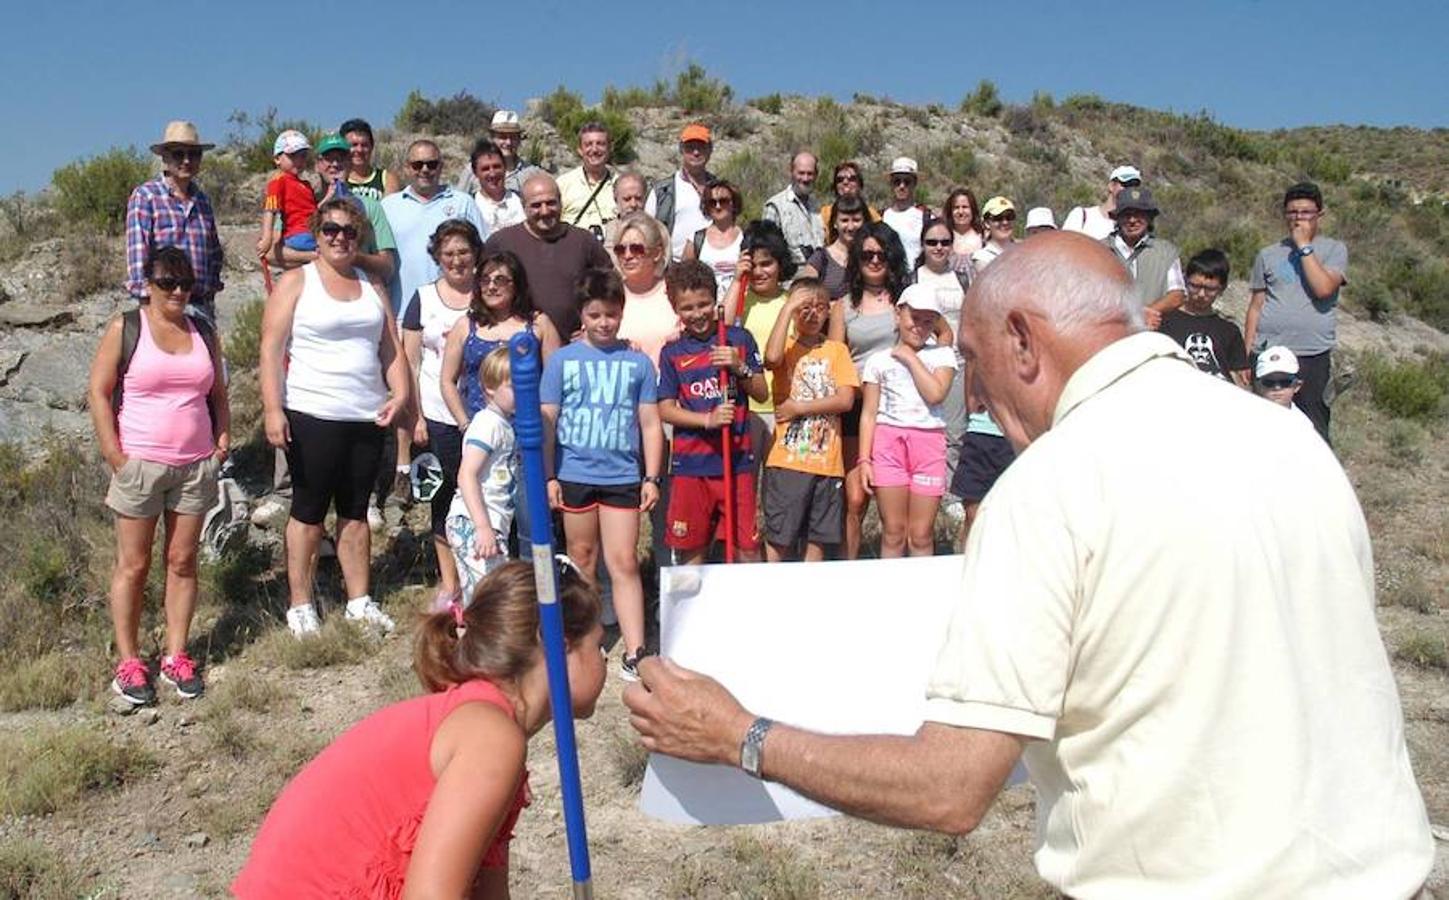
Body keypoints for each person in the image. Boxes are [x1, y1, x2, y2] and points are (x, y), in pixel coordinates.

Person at [625, 232, 1434, 900]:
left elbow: (947, 789)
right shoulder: (1288, 438)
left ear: (1021, 338)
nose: (970, 392)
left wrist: (740, 734)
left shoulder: (1051, 484)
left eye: (972, 359)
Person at [233, 561, 606, 899]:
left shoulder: (487, 724)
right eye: (598, 645)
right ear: (558, 646)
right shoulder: (491, 740)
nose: (604, 660)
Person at [259, 198, 410, 638]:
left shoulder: (371, 285)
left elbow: (390, 349)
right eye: (330, 230)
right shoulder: (296, 282)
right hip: (312, 412)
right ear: (316, 234)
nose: (340, 237)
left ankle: (359, 601)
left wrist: (400, 392)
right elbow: (271, 349)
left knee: (356, 511)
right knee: (307, 512)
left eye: (348, 230)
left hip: (365, 414)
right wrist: (273, 408)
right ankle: (301, 604)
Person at [88, 246, 229, 704]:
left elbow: (219, 393)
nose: (177, 291)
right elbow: (99, 390)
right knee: (134, 564)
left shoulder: (203, 330)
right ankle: (129, 662)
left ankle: (176, 654)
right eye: (167, 282)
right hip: (140, 464)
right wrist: (114, 454)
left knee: (183, 561)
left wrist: (221, 443)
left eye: (185, 283)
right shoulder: (126, 328)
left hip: (195, 465)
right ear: (147, 285)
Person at [542, 268, 663, 682]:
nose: (604, 323)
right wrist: (549, 476)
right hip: (574, 472)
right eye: (595, 315)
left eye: (611, 314)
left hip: (622, 475)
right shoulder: (561, 361)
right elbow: (548, 424)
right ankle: (588, 640)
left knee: (624, 560)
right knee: (582, 559)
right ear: (582, 315)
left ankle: (636, 649)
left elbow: (650, 424)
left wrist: (652, 477)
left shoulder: (637, 363)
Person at [380, 141, 487, 512]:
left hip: (464, 306)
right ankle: (403, 468)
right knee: (408, 383)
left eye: (432, 164)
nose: (425, 170)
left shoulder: (462, 202)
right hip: (407, 306)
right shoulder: (389, 207)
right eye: (418, 164)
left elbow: (482, 250)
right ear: (407, 167)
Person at [656, 260, 768, 564]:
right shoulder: (672, 353)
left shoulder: (737, 340)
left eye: (704, 304)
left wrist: (738, 366)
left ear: (715, 300)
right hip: (691, 465)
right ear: (676, 309)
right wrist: (706, 420)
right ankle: (694, 610)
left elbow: (761, 392)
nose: (697, 314)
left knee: (747, 546)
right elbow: (665, 409)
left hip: (735, 462)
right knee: (691, 548)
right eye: (687, 308)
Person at [402, 220, 485, 611]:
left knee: (487, 493)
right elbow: (410, 360)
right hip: (436, 415)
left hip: (485, 414)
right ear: (437, 256)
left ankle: (484, 575)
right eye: (449, 253)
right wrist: (415, 417)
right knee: (444, 497)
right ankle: (449, 581)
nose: (457, 260)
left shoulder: (488, 295)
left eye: (464, 252)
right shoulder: (422, 298)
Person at [761, 279, 858, 562]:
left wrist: (799, 408)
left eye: (819, 308)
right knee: (781, 535)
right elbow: (771, 357)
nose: (812, 314)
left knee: (819, 536)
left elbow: (845, 400)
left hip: (828, 462)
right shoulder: (788, 347)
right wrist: (790, 305)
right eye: (805, 308)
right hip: (788, 459)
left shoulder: (836, 350)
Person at [1244, 181, 1348, 443]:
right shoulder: (1268, 254)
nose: (1298, 218)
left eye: (1305, 213)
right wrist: (1248, 353)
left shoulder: (1334, 249)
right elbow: (1256, 305)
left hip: (1311, 353)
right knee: (1265, 423)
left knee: (1314, 425)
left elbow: (1323, 288)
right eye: (1292, 212)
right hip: (1269, 351)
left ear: (1319, 215)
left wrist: (1304, 246)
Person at [831, 222, 909, 560]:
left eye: (881, 254)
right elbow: (834, 355)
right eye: (867, 254)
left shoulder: (905, 300)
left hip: (897, 408)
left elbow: (940, 335)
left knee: (894, 503)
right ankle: (850, 567)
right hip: (855, 407)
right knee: (855, 499)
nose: (875, 260)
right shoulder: (843, 306)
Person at [859, 284, 956, 558]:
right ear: (898, 315)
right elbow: (869, 413)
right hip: (888, 445)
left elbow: (935, 393)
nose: (920, 327)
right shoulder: (878, 361)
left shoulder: (942, 355)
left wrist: (911, 359)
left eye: (929, 321)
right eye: (914, 318)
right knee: (893, 531)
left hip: (928, 444)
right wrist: (865, 460)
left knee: (921, 534)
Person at [485, 174, 611, 340]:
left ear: (561, 202)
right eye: (536, 205)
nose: (545, 211)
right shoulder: (501, 242)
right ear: (524, 207)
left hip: (572, 347)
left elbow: (609, 290)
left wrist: (591, 328)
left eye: (551, 203)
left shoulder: (584, 241)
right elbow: (482, 292)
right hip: (516, 348)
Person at [126, 121, 224, 322]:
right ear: (165, 157)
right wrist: (147, 308)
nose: (187, 160)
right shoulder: (146, 197)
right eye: (179, 154)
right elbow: (138, 254)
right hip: (162, 307)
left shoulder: (203, 201)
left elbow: (213, 253)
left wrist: (211, 291)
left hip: (200, 306)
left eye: (194, 154)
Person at [446, 348, 518, 602]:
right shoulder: (487, 424)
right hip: (474, 522)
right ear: (489, 387)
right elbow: (467, 475)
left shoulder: (504, 424)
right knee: (484, 599)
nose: (521, 392)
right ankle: (469, 637)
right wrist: (482, 526)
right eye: (513, 386)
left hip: (493, 523)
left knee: (493, 596)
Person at [734, 221, 797, 485]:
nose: (760, 271)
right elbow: (722, 327)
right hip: (746, 408)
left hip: (784, 408)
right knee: (743, 487)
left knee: (780, 492)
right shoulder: (738, 299)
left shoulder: (791, 302)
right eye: (754, 264)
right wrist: (738, 280)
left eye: (767, 264)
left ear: (780, 264)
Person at [912, 217, 968, 500]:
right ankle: (923, 487)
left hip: (957, 361)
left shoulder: (962, 277)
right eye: (932, 242)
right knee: (924, 428)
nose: (939, 247)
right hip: (923, 363)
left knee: (956, 432)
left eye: (945, 242)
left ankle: (951, 495)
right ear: (923, 244)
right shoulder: (914, 277)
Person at [1160, 248, 1249, 387]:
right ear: (1185, 280)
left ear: (1222, 288)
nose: (1201, 294)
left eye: (1210, 289)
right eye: (1195, 286)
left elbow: (1236, 376)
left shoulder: (1229, 330)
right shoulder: (1164, 323)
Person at [1103, 186, 1183, 328]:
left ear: (1149, 217)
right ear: (1117, 217)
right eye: (1126, 214)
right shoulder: (1098, 249)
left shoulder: (1166, 252)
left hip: (1152, 334)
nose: (1132, 220)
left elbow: (1177, 295)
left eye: (1139, 214)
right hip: (1108, 332)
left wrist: (1147, 313)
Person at [615, 212, 680, 370]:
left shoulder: (676, 291)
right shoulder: (609, 294)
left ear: (657, 253)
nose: (628, 256)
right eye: (620, 249)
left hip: (671, 390)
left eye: (636, 249)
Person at [646, 123, 716, 261]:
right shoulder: (661, 191)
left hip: (712, 265)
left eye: (701, 147)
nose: (696, 152)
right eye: (690, 148)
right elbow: (648, 232)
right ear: (681, 150)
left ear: (710, 150)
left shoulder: (720, 189)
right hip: (673, 267)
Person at [681, 178, 744, 303]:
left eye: (723, 201)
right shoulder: (695, 239)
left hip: (739, 308)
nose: (718, 206)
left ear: (733, 203)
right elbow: (684, 278)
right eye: (712, 202)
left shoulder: (745, 238)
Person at [257, 130, 318, 258]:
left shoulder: (306, 185)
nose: (298, 160)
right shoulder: (278, 182)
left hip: (314, 232)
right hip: (298, 234)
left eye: (303, 156)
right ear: (277, 159)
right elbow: (270, 210)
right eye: (293, 156)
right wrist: (267, 237)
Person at [762, 151, 824, 265]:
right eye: (801, 173)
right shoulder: (775, 206)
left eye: (810, 173)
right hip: (791, 279)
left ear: (816, 175)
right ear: (791, 172)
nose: (805, 178)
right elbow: (767, 250)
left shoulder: (819, 207)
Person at [801, 193, 867, 300]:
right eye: (844, 220)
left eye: (856, 220)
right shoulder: (820, 258)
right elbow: (804, 296)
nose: (850, 227)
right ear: (835, 223)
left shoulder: (873, 257)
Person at [557, 121, 617, 237]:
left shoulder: (621, 185)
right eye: (588, 144)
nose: (594, 150)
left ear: (610, 148)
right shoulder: (563, 184)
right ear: (579, 150)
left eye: (600, 144)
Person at [1062, 164, 1140, 240]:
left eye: (1134, 186)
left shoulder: (1133, 227)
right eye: (1126, 185)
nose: (1130, 190)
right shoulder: (1081, 216)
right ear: (1111, 186)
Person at [468, 139, 525, 233]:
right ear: (475, 172)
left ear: (505, 168)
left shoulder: (521, 201)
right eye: (485, 169)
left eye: (497, 166)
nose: (492, 174)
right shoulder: (470, 206)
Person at [339, 117, 401, 201]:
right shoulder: (336, 180)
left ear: (372, 147)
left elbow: (389, 210)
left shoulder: (387, 179)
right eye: (354, 145)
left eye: (364, 145)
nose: (359, 150)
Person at [880, 157, 927, 264]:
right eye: (897, 181)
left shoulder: (925, 217)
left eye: (907, 182)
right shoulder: (881, 217)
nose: (902, 186)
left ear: (914, 183)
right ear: (891, 184)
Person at [1253, 346, 1315, 427]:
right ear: (1258, 386)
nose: (1277, 388)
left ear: (1297, 386)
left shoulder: (1303, 424)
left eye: (1285, 382)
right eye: (1268, 382)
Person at [602, 171, 652, 263]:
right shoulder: (607, 231)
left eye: (638, 198)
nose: (633, 204)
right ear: (616, 199)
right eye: (627, 199)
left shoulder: (656, 231)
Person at [819, 160, 881, 231]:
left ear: (859, 184)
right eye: (840, 179)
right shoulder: (825, 213)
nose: (845, 182)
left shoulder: (872, 214)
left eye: (852, 179)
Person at [970, 196, 1018, 271]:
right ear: (987, 223)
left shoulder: (1023, 248)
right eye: (998, 218)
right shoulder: (982, 257)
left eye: (1009, 217)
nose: (1005, 222)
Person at [942, 187, 984, 270]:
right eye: (956, 207)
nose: (960, 212)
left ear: (973, 210)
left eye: (965, 207)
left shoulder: (984, 238)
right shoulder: (942, 238)